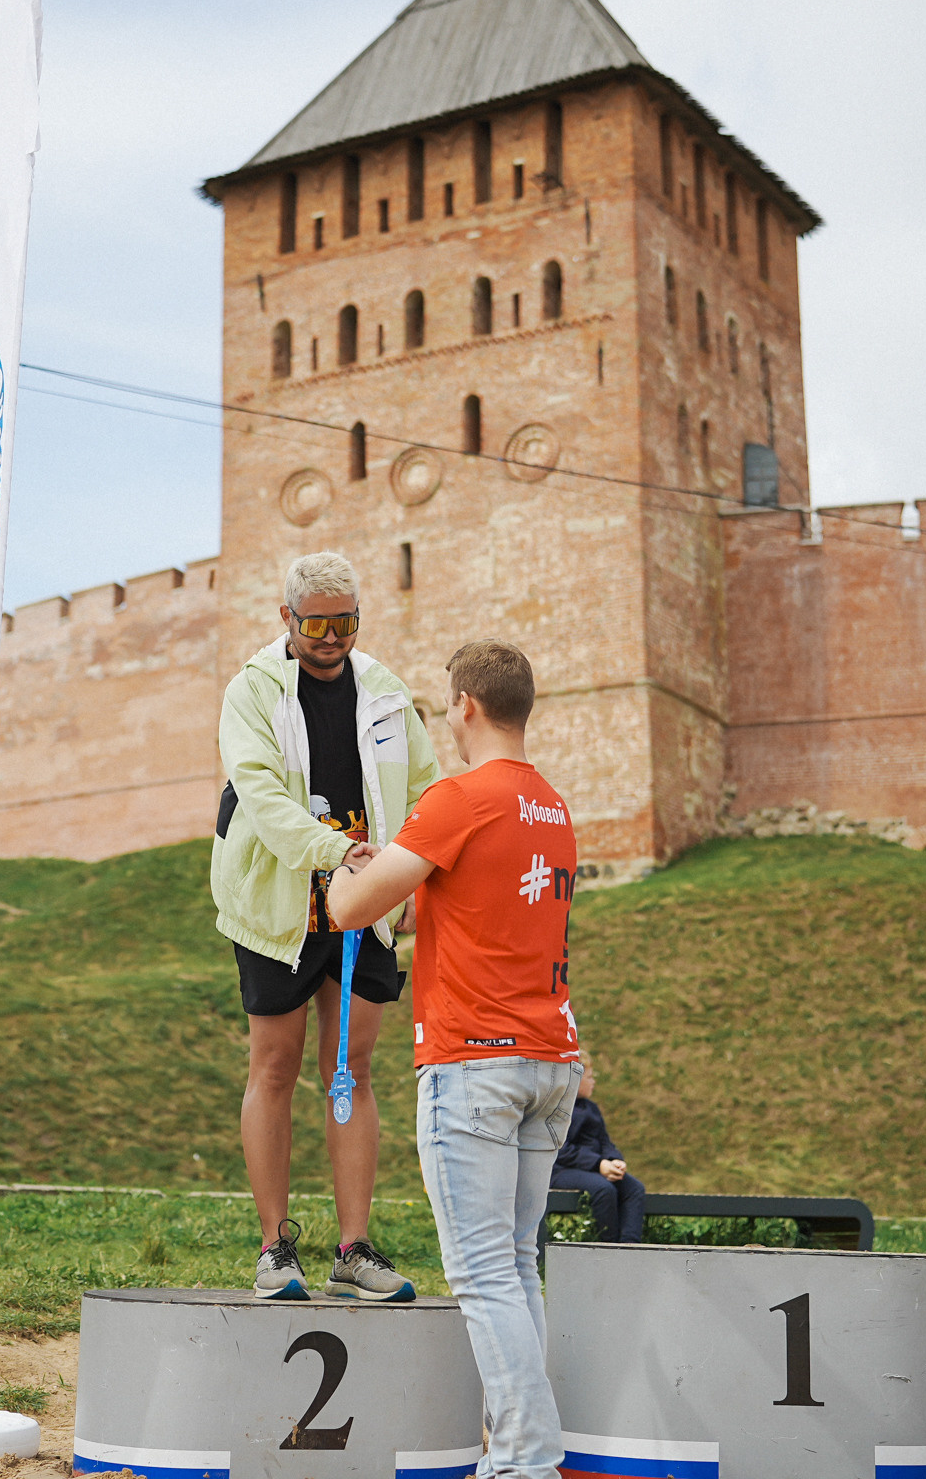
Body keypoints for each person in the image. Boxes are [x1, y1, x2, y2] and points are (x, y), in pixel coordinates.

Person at [327, 640, 579, 1479]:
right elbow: (463, 912)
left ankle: (523, 1463)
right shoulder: (553, 805)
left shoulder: (458, 797)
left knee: (483, 1277)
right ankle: (517, 1454)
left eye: (445, 700)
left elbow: (353, 909)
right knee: (514, 1270)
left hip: (474, 1060)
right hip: (550, 1060)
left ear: (466, 704)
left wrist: (345, 871)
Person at [212, 551, 439, 1301]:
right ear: (288, 620)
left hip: (366, 902)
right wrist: (337, 851)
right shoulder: (252, 691)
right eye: (317, 623)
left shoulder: (387, 694)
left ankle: (353, 1247)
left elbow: (426, 791)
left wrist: (410, 872)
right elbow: (261, 794)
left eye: (345, 621)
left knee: (355, 1070)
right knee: (274, 1066)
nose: (332, 637)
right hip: (281, 902)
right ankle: (276, 1248)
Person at [553, 1057, 646, 1242]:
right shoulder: (557, 1108)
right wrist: (598, 1164)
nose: (593, 1081)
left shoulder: (591, 1108)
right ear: (574, 1079)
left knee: (635, 1188)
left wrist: (613, 1160)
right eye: (589, 1077)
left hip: (594, 1168)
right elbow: (561, 1148)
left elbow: (604, 1142)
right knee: (604, 1189)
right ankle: (607, 1249)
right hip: (562, 1170)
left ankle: (630, 1248)